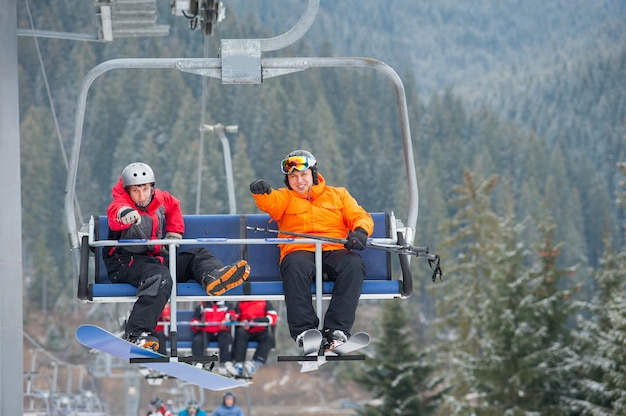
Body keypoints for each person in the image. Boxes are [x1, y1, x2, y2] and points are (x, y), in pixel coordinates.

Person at [104, 162, 250, 351]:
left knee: (197, 254)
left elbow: (174, 207)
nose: (141, 196)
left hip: (156, 260)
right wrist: (124, 215)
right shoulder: (121, 205)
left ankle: (212, 276)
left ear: (152, 188)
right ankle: (137, 333)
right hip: (125, 263)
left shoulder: (160, 199)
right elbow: (114, 215)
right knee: (160, 278)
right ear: (127, 190)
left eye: (145, 189)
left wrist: (174, 232)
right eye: (135, 191)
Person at [249, 150, 373, 351]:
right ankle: (304, 331)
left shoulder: (338, 194)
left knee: (353, 264)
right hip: (300, 249)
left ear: (314, 174)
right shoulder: (285, 197)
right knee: (295, 265)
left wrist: (360, 232)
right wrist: (262, 192)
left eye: (303, 174)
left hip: (333, 248)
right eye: (293, 177)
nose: (299, 181)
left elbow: (360, 216)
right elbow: (271, 202)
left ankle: (337, 330)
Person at [225, 300, 278, 378]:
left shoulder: (265, 302)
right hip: (245, 331)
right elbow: (235, 315)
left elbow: (272, 318)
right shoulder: (241, 303)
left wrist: (253, 321)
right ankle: (238, 363)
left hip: (260, 331)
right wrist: (232, 318)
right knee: (240, 332)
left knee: (269, 337)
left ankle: (255, 363)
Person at [191, 300, 236, 374]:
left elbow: (232, 317)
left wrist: (226, 322)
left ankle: (224, 363)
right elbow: (194, 319)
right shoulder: (203, 305)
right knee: (198, 340)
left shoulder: (227, 305)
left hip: (221, 331)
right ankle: (199, 362)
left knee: (227, 338)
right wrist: (198, 325)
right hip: (206, 330)